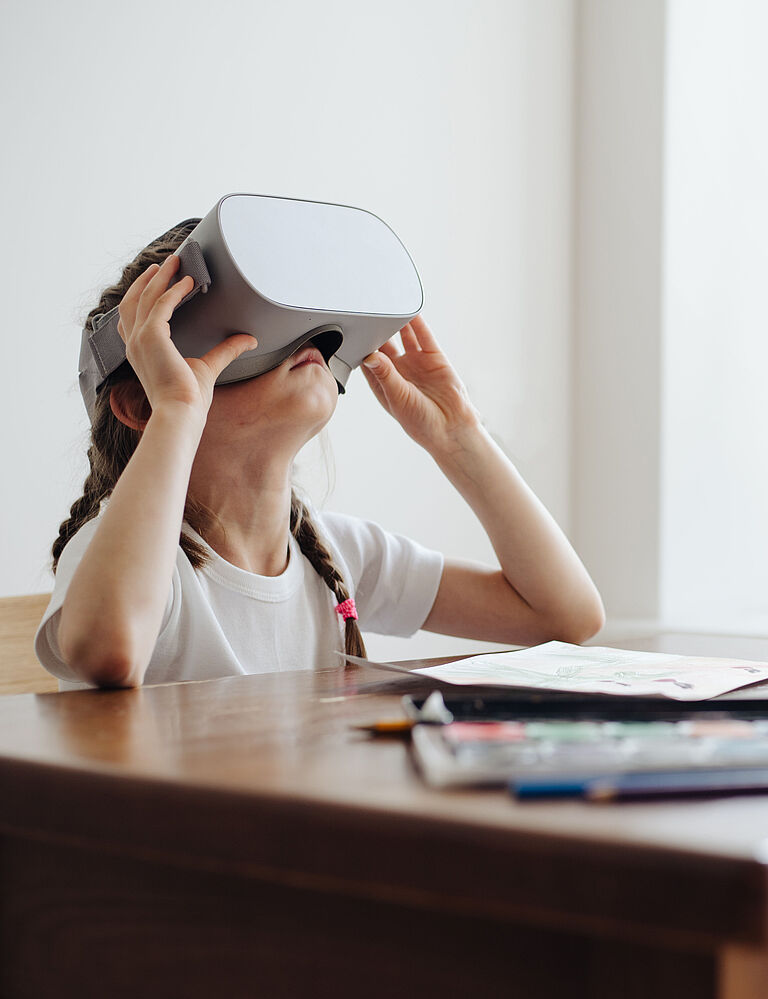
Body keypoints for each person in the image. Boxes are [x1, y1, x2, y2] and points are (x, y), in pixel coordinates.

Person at [35, 220, 605, 690]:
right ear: (140, 404)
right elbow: (107, 654)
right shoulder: (129, 556)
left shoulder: (336, 555)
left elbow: (564, 616)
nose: (305, 338)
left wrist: (459, 436)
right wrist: (179, 410)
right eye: (251, 323)